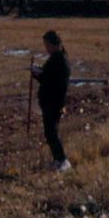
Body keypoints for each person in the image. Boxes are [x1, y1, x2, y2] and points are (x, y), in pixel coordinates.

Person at [31, 30, 72, 172]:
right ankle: (57, 160)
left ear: (53, 44)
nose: (45, 48)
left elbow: (49, 80)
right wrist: (38, 73)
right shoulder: (58, 58)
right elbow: (47, 77)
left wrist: (37, 73)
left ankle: (62, 160)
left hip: (53, 102)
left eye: (46, 45)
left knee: (51, 133)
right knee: (50, 132)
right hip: (52, 101)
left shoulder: (58, 60)